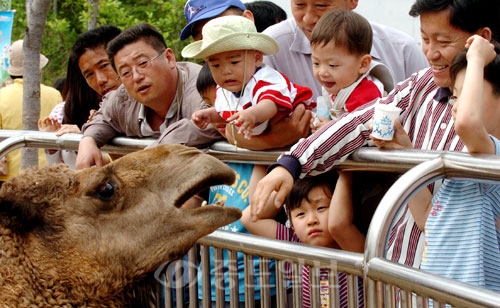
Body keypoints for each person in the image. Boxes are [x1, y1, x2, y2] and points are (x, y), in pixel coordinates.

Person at [251, 0, 500, 271]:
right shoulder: (422, 84)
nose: (431, 53)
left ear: (481, 40)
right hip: (406, 266)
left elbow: (467, 123)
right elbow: (359, 121)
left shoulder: (483, 111)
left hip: (467, 275)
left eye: (442, 41)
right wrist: (293, 164)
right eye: (425, 39)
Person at [414, 36, 500, 296]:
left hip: (469, 296)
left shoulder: (494, 156)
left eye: (468, 93)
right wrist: (401, 150)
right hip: (441, 293)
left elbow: (466, 123)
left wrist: (476, 57)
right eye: (454, 96)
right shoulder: (469, 158)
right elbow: (428, 220)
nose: (455, 106)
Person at [74, 22, 223, 169]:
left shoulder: (201, 86)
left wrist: (148, 155)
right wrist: (88, 140)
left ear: (169, 58)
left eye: (143, 63)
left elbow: (213, 121)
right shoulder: (123, 97)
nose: (136, 76)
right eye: (125, 72)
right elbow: (103, 118)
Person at [181, 0, 313, 151]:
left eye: (234, 61)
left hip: (305, 139)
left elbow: (270, 104)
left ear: (257, 58)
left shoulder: (265, 79)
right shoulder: (226, 89)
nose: (226, 71)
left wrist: (252, 115)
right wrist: (209, 115)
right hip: (272, 146)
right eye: (216, 65)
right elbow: (227, 112)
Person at [242, 172, 364, 307]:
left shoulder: (352, 248)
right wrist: (286, 188)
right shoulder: (294, 249)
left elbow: (338, 225)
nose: (311, 220)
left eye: (321, 208)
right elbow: (249, 218)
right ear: (292, 224)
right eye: (300, 214)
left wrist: (345, 175)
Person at [263, 0, 429, 99]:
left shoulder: (402, 51)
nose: (308, 18)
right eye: (299, 4)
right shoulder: (271, 47)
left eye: (321, 5)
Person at [38, 25, 122, 169]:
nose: (100, 80)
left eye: (104, 66)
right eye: (89, 74)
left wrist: (86, 137)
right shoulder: (66, 112)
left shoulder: (147, 108)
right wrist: (51, 143)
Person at [309, 9, 394, 132]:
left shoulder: (365, 94)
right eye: (316, 63)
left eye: (332, 65)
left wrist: (329, 130)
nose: (322, 72)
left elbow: (359, 133)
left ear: (363, 64)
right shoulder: (342, 86)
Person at [0, 40, 62, 181]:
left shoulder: (1, 96)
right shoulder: (54, 95)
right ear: (38, 67)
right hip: (47, 174)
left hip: (8, 179)